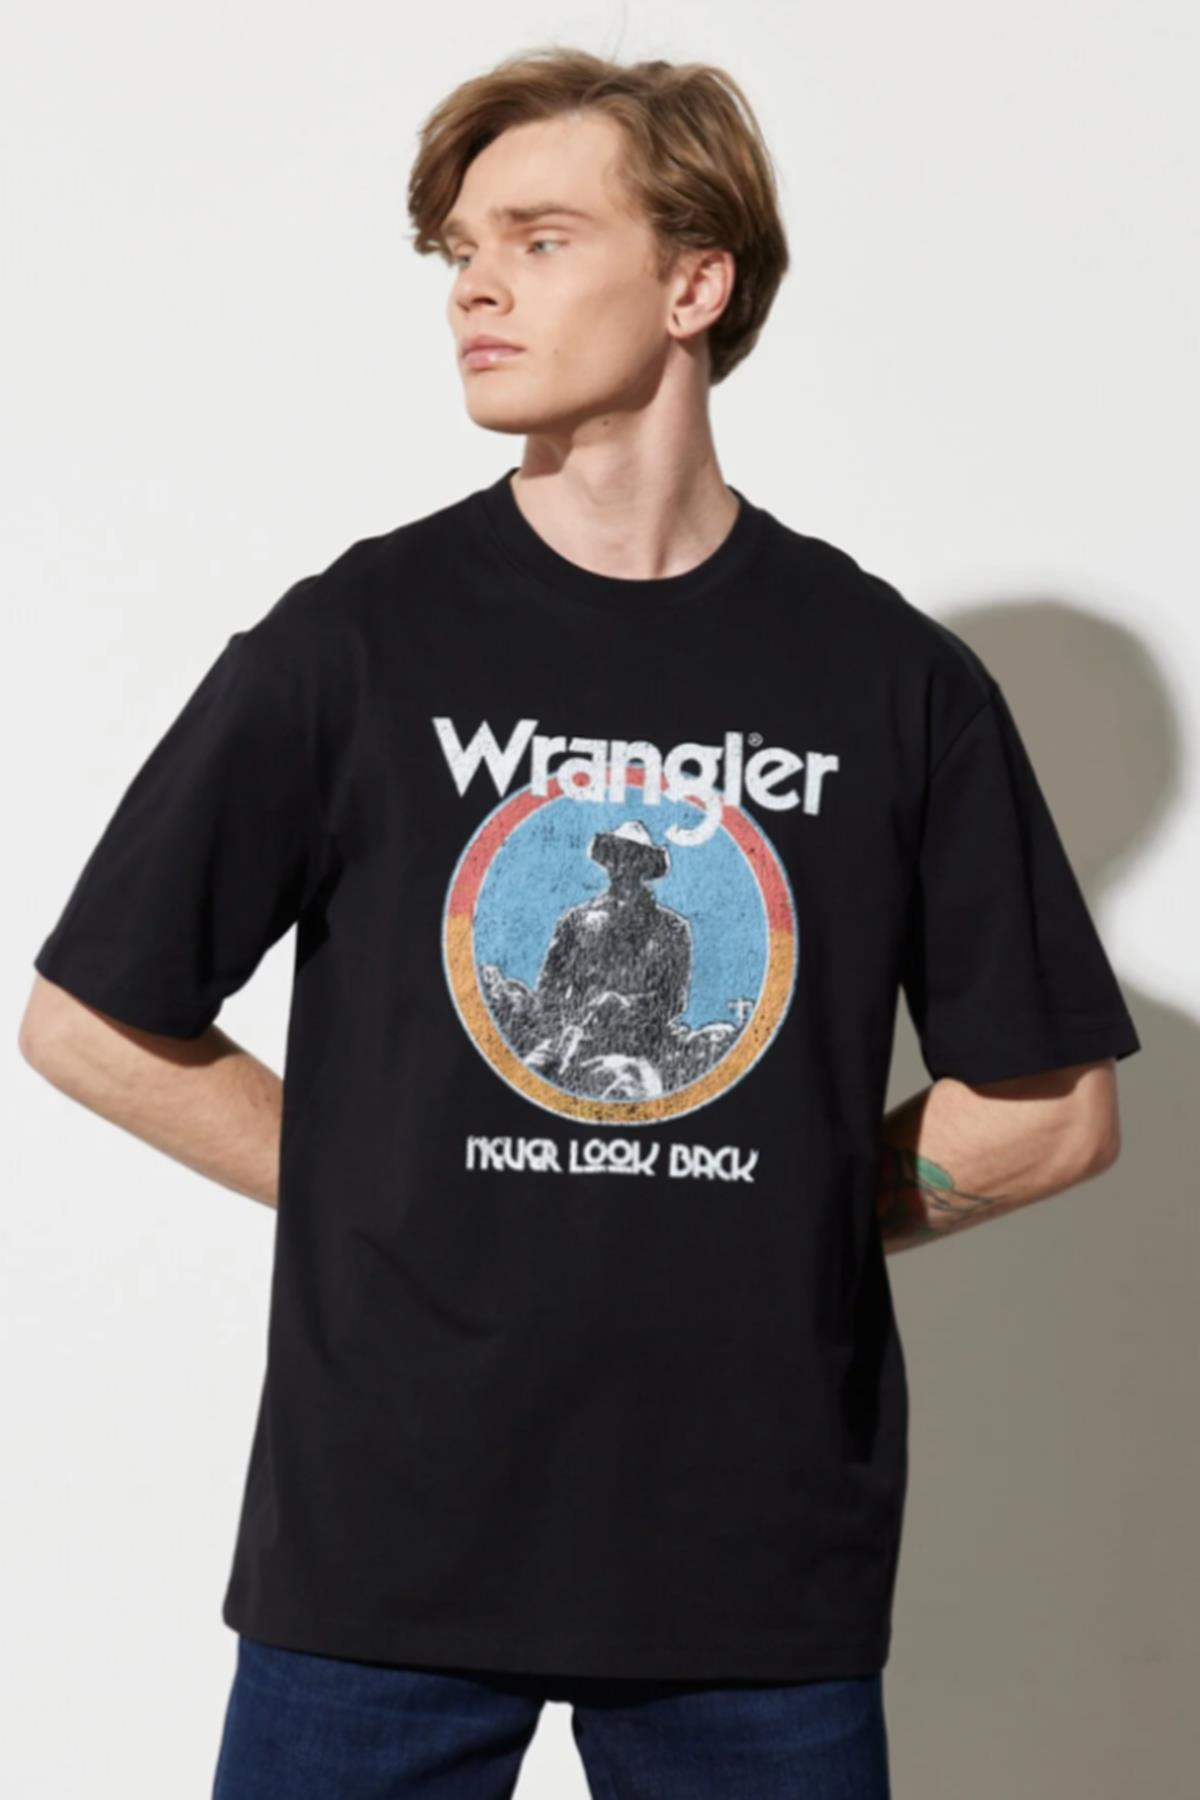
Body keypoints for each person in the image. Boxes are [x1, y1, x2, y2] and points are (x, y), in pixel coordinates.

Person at [18, 44, 1141, 1800]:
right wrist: (388, 1192)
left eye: (540, 239)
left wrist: (778, 1216)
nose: (474, 286)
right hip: (386, 1536)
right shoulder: (354, 644)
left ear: (696, 285)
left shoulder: (889, 681)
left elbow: (1052, 1112)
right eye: (462, 249)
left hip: (751, 1560)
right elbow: (89, 1017)